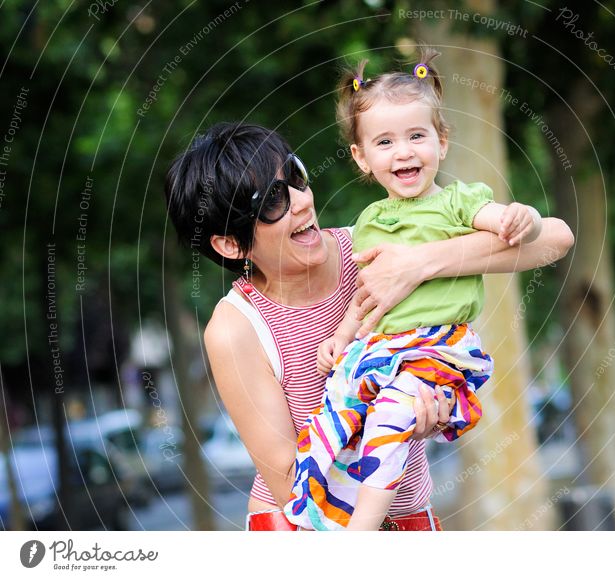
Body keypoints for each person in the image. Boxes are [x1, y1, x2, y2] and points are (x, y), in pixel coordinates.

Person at [163, 118, 573, 531]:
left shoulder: (376, 243)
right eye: (271, 201)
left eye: (295, 177)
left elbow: (554, 239)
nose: (303, 201)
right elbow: (290, 481)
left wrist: (416, 263)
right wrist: (395, 424)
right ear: (230, 244)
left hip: (408, 516)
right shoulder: (237, 327)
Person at [282, 49, 548, 531]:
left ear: (442, 143)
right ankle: (311, 511)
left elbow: (503, 229)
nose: (403, 151)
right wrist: (343, 336)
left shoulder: (456, 203)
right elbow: (367, 295)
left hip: (439, 349)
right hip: (379, 347)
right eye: (384, 141)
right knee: (333, 415)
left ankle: (361, 532)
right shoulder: (370, 222)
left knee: (389, 418)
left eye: (417, 136)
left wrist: (523, 219)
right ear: (362, 158)